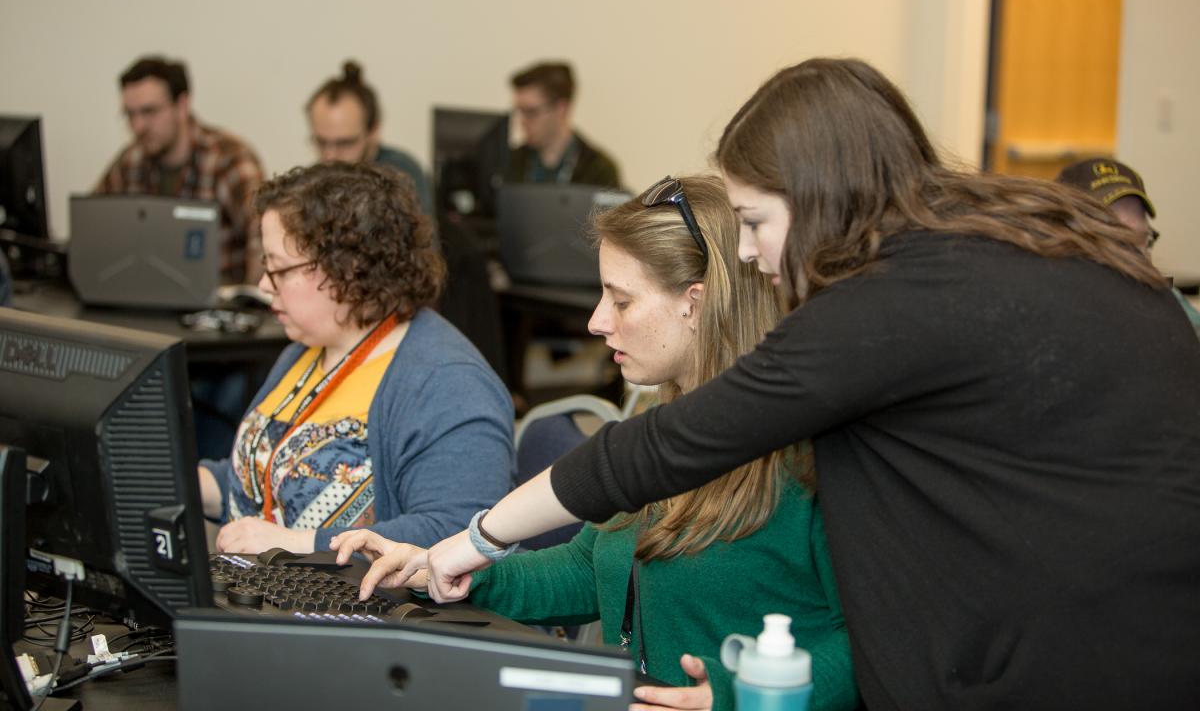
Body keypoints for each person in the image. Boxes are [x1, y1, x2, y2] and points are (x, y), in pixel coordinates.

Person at [399, 59, 1200, 710]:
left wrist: (476, 538)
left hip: (1093, 646)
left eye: (754, 222)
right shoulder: (986, 233)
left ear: (820, 195)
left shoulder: (889, 302)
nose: (747, 253)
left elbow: (659, 450)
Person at [333, 174, 859, 711]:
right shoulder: (658, 424)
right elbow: (591, 569)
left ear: (695, 304)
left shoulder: (811, 455)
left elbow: (869, 646)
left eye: (622, 301)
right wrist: (451, 571)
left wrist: (733, 697)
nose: (596, 322)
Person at [197, 161, 514, 554]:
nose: (264, 285)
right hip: (269, 586)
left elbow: (459, 533)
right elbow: (275, 473)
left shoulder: (449, 383)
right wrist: (187, 483)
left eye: (279, 269)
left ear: (348, 270)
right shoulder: (306, 350)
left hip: (354, 594)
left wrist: (297, 544)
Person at [95, 55, 264, 284]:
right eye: (130, 114)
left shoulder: (228, 160)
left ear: (182, 105)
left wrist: (251, 297)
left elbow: (263, 235)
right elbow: (94, 225)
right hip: (149, 294)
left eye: (149, 112)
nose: (138, 126)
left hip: (218, 299)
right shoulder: (131, 161)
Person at [1056, 157, 1200, 334]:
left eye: (1140, 240)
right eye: (1115, 239)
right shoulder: (1048, 312)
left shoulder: (1164, 299)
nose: (1133, 258)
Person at [306, 60, 433, 216]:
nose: (330, 156)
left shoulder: (400, 175)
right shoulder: (313, 181)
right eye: (321, 142)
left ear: (374, 131)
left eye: (345, 143)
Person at [506, 61, 621, 188]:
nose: (522, 120)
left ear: (561, 109)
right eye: (520, 111)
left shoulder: (598, 171)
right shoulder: (507, 165)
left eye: (531, 112)